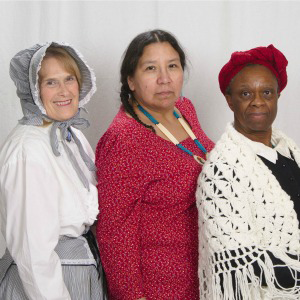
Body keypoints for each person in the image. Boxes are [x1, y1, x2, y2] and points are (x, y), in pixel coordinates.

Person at [95, 29, 214, 299]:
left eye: (172, 66)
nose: (164, 79)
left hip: (202, 276)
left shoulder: (184, 109)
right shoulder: (124, 140)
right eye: (151, 68)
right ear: (131, 81)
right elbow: (115, 234)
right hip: (160, 286)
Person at [0, 42, 105, 299]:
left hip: (80, 275)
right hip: (48, 286)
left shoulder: (73, 137)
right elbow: (32, 253)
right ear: (33, 91)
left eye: (69, 78)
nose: (64, 90)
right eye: (50, 82)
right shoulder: (28, 150)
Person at [196, 44, 300, 299]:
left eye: (266, 92)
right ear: (230, 100)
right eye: (245, 93)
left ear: (277, 96)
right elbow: (240, 263)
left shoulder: (290, 152)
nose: (257, 102)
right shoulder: (221, 169)